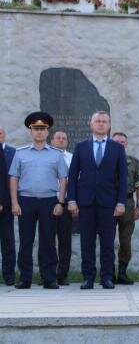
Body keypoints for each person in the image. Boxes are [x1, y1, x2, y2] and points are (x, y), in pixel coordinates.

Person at [67, 111, 127, 290]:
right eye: (98, 121)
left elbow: (122, 177)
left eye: (104, 121)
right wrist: (72, 200)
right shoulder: (81, 147)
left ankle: (107, 277)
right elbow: (72, 175)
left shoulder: (117, 148)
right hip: (86, 203)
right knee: (87, 242)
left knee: (108, 243)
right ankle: (88, 277)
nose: (101, 124)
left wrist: (121, 202)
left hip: (109, 203)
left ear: (109, 125)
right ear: (91, 124)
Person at [8, 112, 68, 289]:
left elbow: (63, 179)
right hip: (25, 201)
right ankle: (25, 278)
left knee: (48, 240)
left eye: (42, 129)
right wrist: (14, 203)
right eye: (36, 129)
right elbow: (14, 178)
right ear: (31, 131)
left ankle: (49, 278)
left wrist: (60, 202)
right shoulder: (20, 153)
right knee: (26, 240)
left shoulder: (56, 154)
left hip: (49, 201)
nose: (39, 132)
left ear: (47, 132)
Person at [111, 132, 139, 285]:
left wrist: (138, 206)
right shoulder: (104, 160)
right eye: (116, 142)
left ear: (126, 144)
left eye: (122, 142)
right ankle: (109, 273)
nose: (119, 144)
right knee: (107, 238)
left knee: (125, 239)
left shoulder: (133, 162)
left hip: (128, 202)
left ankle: (122, 273)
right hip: (108, 203)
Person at [50, 130, 73, 285]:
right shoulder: (45, 156)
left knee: (65, 240)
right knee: (47, 239)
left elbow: (76, 180)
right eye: (58, 138)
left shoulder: (72, 158)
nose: (61, 140)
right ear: (52, 141)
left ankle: (62, 274)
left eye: (64, 138)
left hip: (65, 202)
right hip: (48, 201)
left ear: (67, 142)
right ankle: (48, 274)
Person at [0, 126, 16, 286]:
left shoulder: (13, 153)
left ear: (4, 135)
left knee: (8, 242)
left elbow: (14, 178)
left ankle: (9, 276)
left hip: (7, 204)